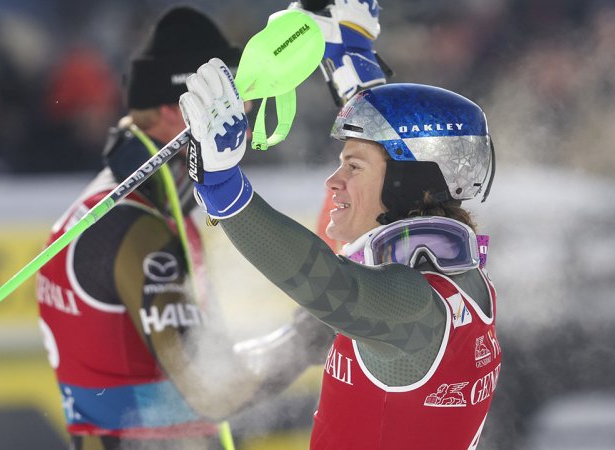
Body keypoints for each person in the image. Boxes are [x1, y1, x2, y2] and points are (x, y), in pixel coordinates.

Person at [35, 7, 335, 450]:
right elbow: (213, 389)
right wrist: (309, 336)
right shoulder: (134, 226)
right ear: (178, 110)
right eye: (231, 93)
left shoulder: (122, 206)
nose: (247, 109)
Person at [179, 61, 499, 450]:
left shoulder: (413, 305)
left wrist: (224, 188)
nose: (333, 181)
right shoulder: (457, 284)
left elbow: (324, 277)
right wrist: (353, 69)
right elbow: (342, 264)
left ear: (406, 182)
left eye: (353, 166)